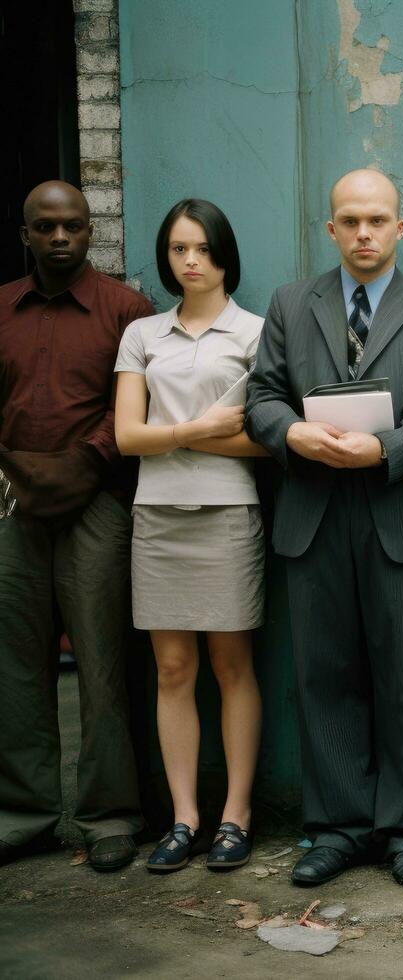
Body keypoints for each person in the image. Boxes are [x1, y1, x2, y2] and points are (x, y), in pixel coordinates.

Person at [245, 169, 403, 887]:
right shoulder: (290, 303)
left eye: (377, 220)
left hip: (397, 511)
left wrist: (387, 449)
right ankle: (336, 828)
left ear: (400, 228)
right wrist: (292, 434)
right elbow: (262, 395)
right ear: (330, 229)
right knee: (324, 674)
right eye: (350, 221)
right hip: (313, 512)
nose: (364, 233)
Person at [0, 180, 153, 871]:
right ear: (26, 234)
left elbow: (139, 406)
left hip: (96, 500)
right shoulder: (1, 307)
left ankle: (108, 816)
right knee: (16, 665)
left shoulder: (126, 311)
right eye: (45, 228)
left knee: (102, 660)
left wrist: (83, 462)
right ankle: (24, 815)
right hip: (10, 500)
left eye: (73, 227)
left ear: (92, 231)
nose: (60, 238)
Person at [113, 199, 268, 872]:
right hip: (158, 517)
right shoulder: (143, 335)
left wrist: (174, 439)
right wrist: (195, 433)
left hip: (230, 513)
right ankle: (184, 817)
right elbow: (126, 437)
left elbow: (267, 442)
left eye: (202, 247)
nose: (190, 260)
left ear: (224, 253)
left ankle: (236, 815)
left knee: (232, 666)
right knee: (173, 669)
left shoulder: (257, 333)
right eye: (178, 248)